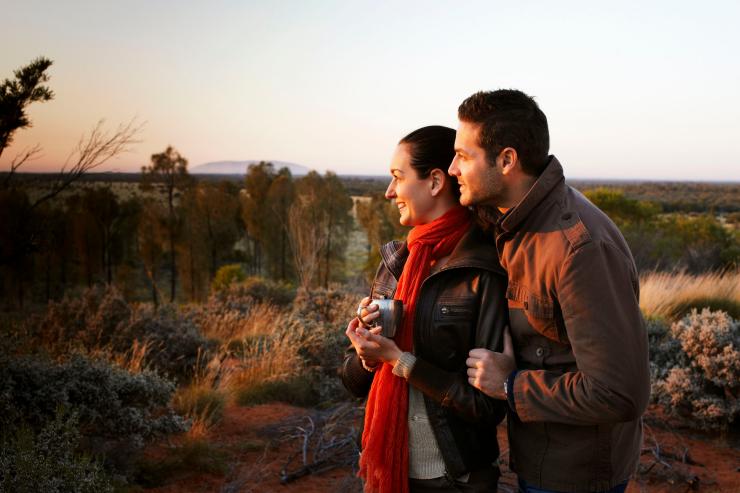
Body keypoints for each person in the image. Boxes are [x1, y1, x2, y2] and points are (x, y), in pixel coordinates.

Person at [449, 89, 651, 493]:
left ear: (507, 160)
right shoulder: (510, 221)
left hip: (575, 473)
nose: (453, 168)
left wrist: (510, 385)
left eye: (463, 156)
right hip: (539, 456)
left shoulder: (580, 249)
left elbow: (619, 393)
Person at [341, 125, 509, 493]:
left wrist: (399, 360)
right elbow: (352, 382)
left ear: (434, 182)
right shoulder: (396, 264)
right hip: (392, 470)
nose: (389, 191)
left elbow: (486, 407)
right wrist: (367, 356)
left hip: (456, 479)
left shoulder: (481, 271)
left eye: (398, 177)